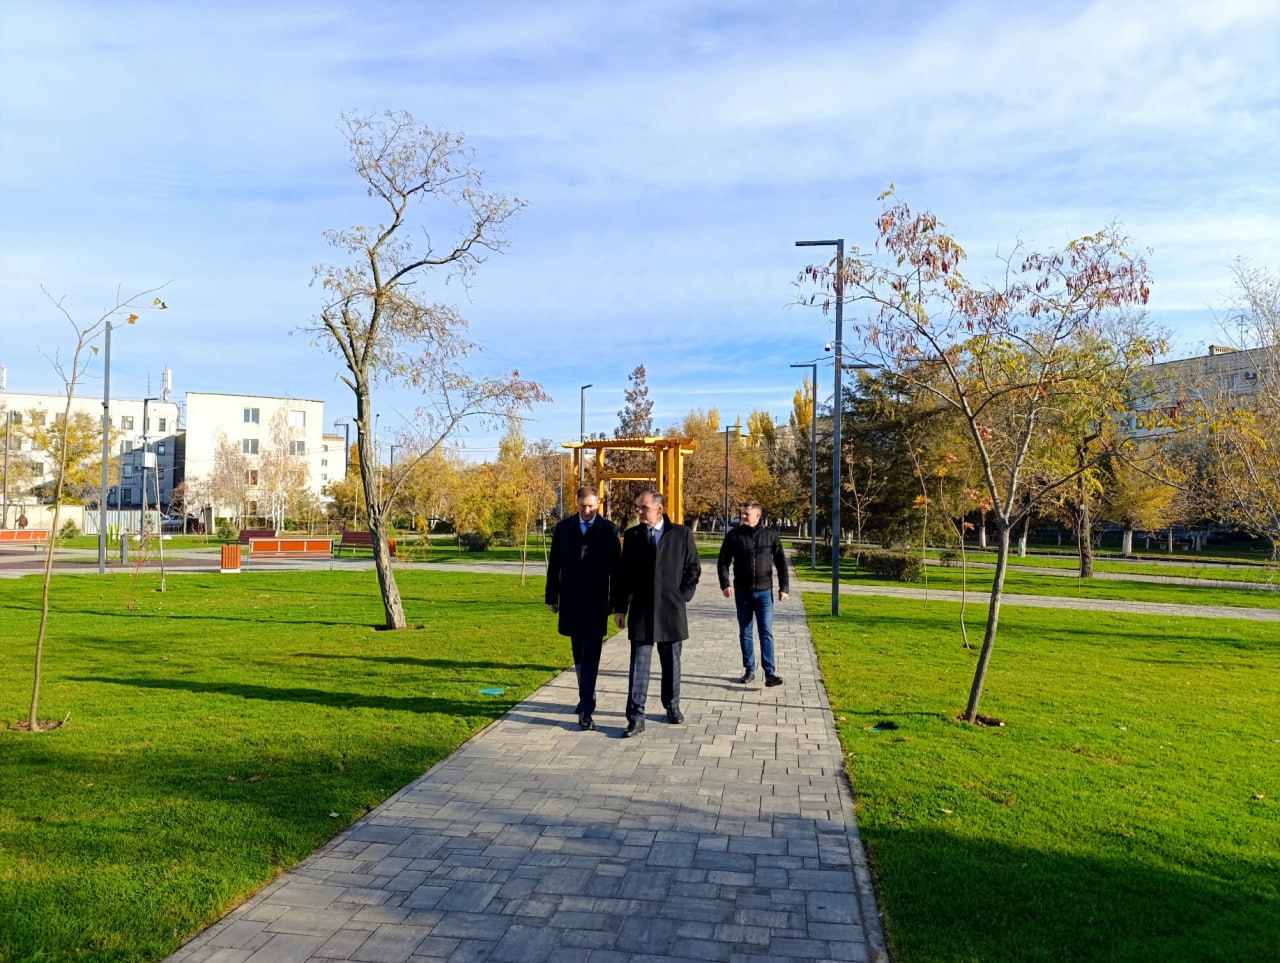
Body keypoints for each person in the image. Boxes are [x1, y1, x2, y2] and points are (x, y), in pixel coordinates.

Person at [611, 489, 701, 738]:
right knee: (639, 667)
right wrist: (620, 607)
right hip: (641, 611)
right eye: (638, 507)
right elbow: (623, 576)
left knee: (671, 663)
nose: (639, 511)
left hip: (671, 611)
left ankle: (672, 706)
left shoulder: (681, 534)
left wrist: (682, 595)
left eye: (644, 508)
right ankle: (636, 716)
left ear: (659, 509)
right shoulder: (632, 536)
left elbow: (693, 569)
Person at [545, 485, 620, 731]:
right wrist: (551, 596)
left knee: (591, 655)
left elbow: (616, 572)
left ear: (598, 504)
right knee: (578, 653)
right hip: (571, 600)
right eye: (582, 506)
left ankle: (586, 708)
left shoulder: (608, 530)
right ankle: (585, 694)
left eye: (591, 506)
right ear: (576, 503)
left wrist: (618, 604)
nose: (587, 511)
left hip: (597, 602)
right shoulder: (564, 529)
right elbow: (554, 564)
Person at [717, 500, 789, 687]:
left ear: (758, 516)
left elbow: (781, 563)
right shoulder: (734, 536)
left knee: (766, 631)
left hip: (764, 593)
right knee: (746, 632)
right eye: (742, 514)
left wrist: (784, 588)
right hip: (742, 592)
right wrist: (725, 584)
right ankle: (749, 670)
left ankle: (770, 673)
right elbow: (723, 561)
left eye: (746, 515)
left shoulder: (770, 535)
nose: (743, 517)